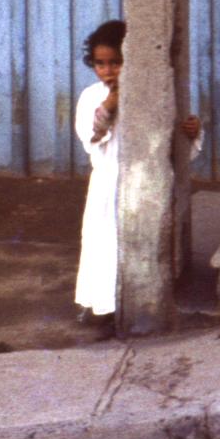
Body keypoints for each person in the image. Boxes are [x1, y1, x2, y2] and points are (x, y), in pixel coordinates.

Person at [74, 19, 202, 324]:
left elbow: (174, 136)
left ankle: (138, 308)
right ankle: (102, 308)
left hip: (146, 183)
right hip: (108, 185)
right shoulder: (92, 96)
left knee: (141, 245)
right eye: (100, 64)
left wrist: (192, 131)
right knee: (104, 244)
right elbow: (92, 134)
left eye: (116, 63)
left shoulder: (152, 94)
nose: (107, 71)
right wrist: (112, 103)